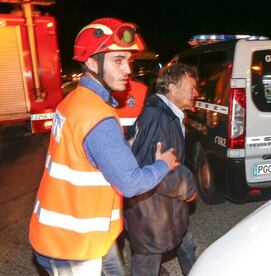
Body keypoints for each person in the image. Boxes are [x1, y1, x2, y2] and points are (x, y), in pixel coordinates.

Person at [28, 17, 179, 276]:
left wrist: (123, 145)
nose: (128, 70)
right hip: (71, 246)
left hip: (89, 236)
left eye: (128, 61)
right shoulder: (97, 116)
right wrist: (163, 164)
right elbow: (131, 184)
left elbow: (87, 152)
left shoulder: (76, 100)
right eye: (118, 61)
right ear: (91, 62)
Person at [124, 63, 199, 276]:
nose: (195, 93)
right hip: (150, 212)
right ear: (173, 88)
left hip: (166, 208)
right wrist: (189, 187)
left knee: (185, 240)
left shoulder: (164, 112)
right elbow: (154, 168)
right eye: (191, 87)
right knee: (147, 260)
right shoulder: (159, 117)